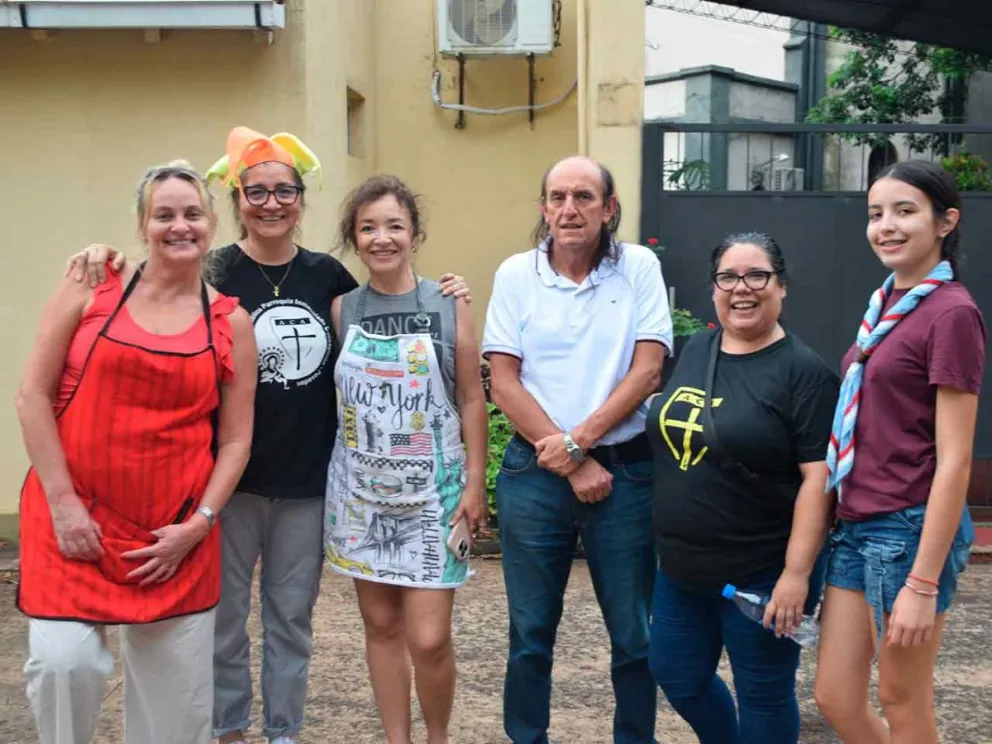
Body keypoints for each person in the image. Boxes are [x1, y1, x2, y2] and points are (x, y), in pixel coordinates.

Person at [64, 127, 472, 744]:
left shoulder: (330, 279)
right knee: (225, 623)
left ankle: (283, 732)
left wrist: (451, 292)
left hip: (308, 483)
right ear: (237, 200)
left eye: (285, 190)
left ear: (302, 200)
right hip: (227, 485)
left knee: (290, 621)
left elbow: (391, 308)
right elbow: (146, 279)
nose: (271, 202)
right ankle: (230, 729)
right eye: (256, 191)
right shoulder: (214, 270)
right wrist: (103, 255)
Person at [16, 160, 257, 744]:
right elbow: (33, 396)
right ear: (142, 225)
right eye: (164, 214)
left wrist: (198, 525)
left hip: (173, 537)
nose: (180, 226)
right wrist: (65, 505)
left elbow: (235, 440)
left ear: (213, 223)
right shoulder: (90, 286)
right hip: (71, 522)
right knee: (62, 667)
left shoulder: (231, 322)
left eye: (192, 214)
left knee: (177, 709)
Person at [482, 155, 672, 744]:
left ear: (609, 209)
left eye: (585, 197)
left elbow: (647, 371)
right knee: (530, 634)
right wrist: (571, 460)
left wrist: (578, 445)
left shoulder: (638, 266)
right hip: (534, 477)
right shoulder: (516, 273)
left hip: (625, 475)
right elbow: (502, 379)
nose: (570, 209)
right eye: (558, 197)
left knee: (635, 636)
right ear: (544, 209)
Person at [815, 160, 984, 744]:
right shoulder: (885, 306)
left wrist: (922, 583)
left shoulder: (951, 313)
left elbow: (956, 460)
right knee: (835, 695)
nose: (885, 225)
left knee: (901, 696)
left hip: (907, 527)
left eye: (904, 211)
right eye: (876, 213)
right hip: (855, 523)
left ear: (945, 222)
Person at [646, 233, 838, 743]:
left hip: (762, 576)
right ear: (714, 289)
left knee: (764, 693)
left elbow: (817, 480)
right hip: (682, 570)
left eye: (757, 276)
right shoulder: (697, 349)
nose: (742, 289)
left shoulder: (806, 374)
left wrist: (796, 576)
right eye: (728, 277)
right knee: (677, 676)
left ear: (781, 287)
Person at [324, 174, 488, 744]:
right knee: (381, 626)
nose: (382, 238)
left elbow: (471, 397)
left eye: (395, 226)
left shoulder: (448, 302)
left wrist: (474, 485)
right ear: (354, 238)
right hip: (362, 499)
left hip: (432, 498)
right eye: (368, 228)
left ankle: (436, 737)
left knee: (429, 638)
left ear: (414, 235)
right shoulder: (343, 309)